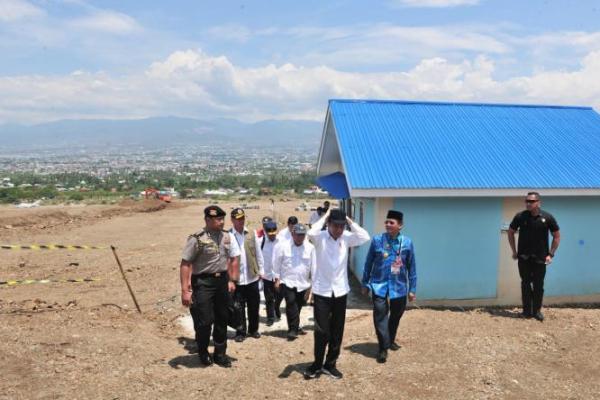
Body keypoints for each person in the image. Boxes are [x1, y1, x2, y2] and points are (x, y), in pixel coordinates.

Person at [304, 208, 370, 380]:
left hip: (340, 291)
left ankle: (330, 364)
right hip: (322, 291)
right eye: (335, 226)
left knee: (337, 331)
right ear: (328, 224)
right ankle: (317, 364)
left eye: (341, 226)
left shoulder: (346, 238)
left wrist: (349, 221)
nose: (339, 230)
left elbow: (364, 236)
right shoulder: (320, 238)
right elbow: (310, 231)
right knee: (322, 331)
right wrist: (325, 215)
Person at [179, 205, 240, 367]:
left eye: (222, 219)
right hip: (203, 283)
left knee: (222, 318)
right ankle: (203, 351)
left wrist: (232, 280)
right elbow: (185, 264)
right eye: (217, 219)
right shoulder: (197, 238)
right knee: (204, 321)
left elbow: (234, 258)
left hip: (222, 282)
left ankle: (220, 354)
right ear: (207, 220)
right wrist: (185, 290)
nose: (221, 222)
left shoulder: (227, 237)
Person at [361, 210, 417, 364]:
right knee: (380, 315)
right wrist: (365, 283)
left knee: (396, 315)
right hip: (379, 284)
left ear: (400, 225)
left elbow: (412, 267)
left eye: (391, 222)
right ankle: (383, 348)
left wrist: (412, 289)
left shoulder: (407, 243)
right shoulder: (377, 240)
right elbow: (368, 263)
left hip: (399, 286)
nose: (387, 225)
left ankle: (390, 339)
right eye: (386, 222)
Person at [508, 192, 560, 321]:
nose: (528, 203)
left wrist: (551, 254)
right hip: (524, 258)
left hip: (540, 258)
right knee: (525, 284)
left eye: (531, 201)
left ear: (538, 203)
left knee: (538, 285)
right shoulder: (520, 217)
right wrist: (514, 251)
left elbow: (557, 236)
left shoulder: (547, 218)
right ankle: (526, 311)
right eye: (527, 201)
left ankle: (536, 311)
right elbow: (510, 232)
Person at [272, 223, 315, 341]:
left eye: (302, 235)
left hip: (303, 283)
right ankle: (293, 330)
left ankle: (294, 326)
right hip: (287, 281)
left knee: (298, 306)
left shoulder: (310, 248)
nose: (300, 237)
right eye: (298, 235)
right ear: (292, 234)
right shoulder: (283, 246)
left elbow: (313, 267)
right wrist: (277, 279)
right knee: (291, 303)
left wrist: (312, 286)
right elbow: (277, 263)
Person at [229, 208, 265, 341]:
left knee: (254, 305)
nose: (241, 221)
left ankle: (253, 329)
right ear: (232, 220)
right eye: (238, 219)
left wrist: (261, 270)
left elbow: (258, 252)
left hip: (252, 277)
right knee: (238, 307)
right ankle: (240, 331)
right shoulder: (228, 236)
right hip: (237, 278)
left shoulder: (251, 233)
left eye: (242, 218)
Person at [260, 220, 284, 325]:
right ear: (265, 231)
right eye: (270, 234)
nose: (272, 236)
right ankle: (270, 317)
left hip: (280, 275)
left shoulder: (282, 241)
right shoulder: (261, 241)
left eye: (273, 234)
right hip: (267, 275)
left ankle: (277, 306)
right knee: (269, 298)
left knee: (280, 295)